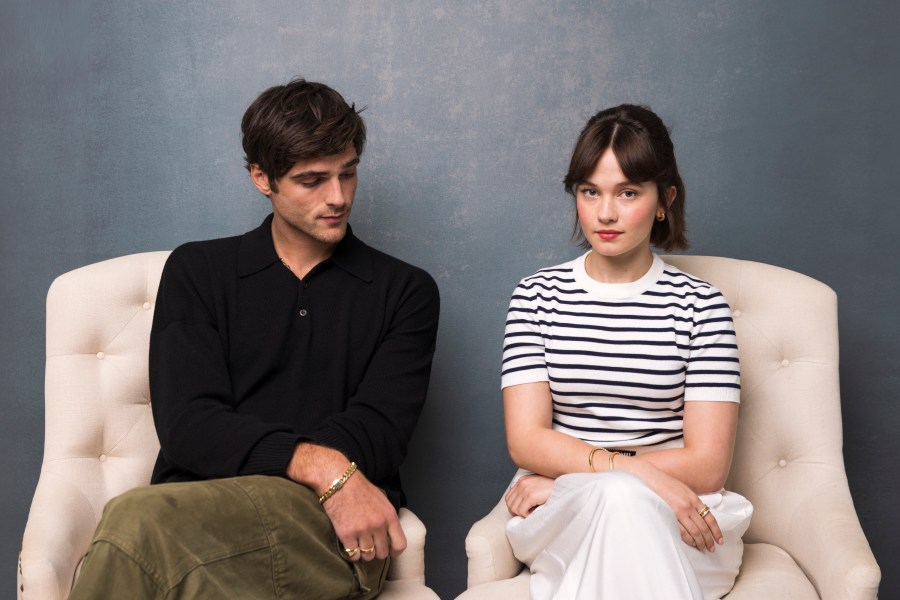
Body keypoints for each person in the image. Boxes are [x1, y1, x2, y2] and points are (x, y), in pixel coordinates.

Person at [68, 79, 440, 599]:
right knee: (158, 545)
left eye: (348, 173)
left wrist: (324, 475)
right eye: (312, 181)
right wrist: (323, 464)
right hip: (195, 517)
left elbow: (378, 432)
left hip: (330, 526)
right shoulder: (198, 271)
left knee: (133, 524)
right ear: (261, 178)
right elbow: (190, 426)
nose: (338, 197)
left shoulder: (405, 291)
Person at [500, 104, 752, 599]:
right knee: (618, 503)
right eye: (590, 191)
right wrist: (620, 476)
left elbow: (707, 466)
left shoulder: (701, 306)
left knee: (623, 510)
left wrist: (581, 478)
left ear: (665, 200)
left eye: (628, 192)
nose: (606, 212)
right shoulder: (536, 296)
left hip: (683, 514)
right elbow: (526, 441)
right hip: (564, 513)